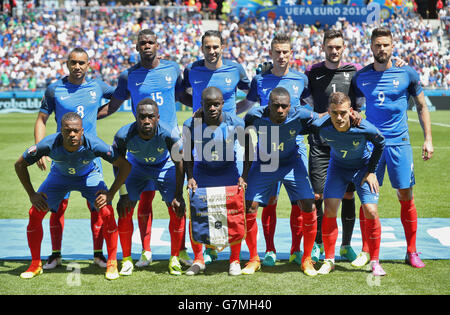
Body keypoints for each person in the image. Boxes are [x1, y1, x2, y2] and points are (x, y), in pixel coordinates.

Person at [97, 29, 192, 270]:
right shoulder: (128, 76)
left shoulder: (172, 69)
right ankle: (145, 251)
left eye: (150, 42)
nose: (147, 46)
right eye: (142, 43)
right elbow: (113, 106)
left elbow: (183, 96)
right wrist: (87, 118)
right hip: (139, 148)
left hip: (168, 149)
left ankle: (179, 251)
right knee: (142, 203)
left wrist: (211, 103)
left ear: (157, 45)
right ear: (137, 47)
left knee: (176, 205)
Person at [352, 27, 434, 268]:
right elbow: (354, 108)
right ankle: (366, 251)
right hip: (371, 146)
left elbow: (421, 107)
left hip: (400, 144)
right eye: (377, 45)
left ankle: (412, 251)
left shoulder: (406, 72)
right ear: (371, 47)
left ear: (392, 45)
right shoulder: (361, 77)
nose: (382, 49)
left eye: (386, 44)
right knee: (367, 199)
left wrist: (428, 138)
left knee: (405, 196)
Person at [15, 112, 131, 280]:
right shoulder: (48, 144)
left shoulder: (95, 144)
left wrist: (111, 193)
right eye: (67, 131)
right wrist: (32, 194)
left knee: (106, 211)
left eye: (76, 131)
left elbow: (125, 166)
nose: (72, 135)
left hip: (88, 176)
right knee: (34, 214)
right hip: (59, 177)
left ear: (82, 131)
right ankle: (35, 264)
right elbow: (20, 164)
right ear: (60, 130)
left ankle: (112, 262)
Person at [35, 47, 115, 269]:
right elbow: (41, 119)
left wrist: (100, 113)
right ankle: (55, 254)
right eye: (73, 62)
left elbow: (119, 96)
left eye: (82, 63)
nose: (77, 67)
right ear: (67, 64)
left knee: (97, 206)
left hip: (91, 158)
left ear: (88, 65)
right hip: (61, 157)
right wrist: (39, 149)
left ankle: (98, 254)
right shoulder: (54, 90)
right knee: (57, 207)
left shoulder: (97, 86)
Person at [236, 33, 310, 267]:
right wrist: (225, 114)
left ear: (291, 54)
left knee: (301, 202)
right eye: (277, 51)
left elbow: (311, 109)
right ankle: (269, 250)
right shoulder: (260, 81)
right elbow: (248, 106)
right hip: (266, 150)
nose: (281, 56)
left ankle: (296, 250)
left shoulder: (301, 80)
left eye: (285, 51)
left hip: (294, 146)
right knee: (269, 200)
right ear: (271, 53)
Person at [181, 30, 250, 264]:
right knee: (202, 201)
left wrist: (234, 113)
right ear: (202, 48)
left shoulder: (235, 69)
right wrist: (198, 112)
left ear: (223, 47)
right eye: (207, 47)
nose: (212, 51)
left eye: (216, 47)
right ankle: (206, 251)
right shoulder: (191, 70)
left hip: (229, 135)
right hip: (203, 136)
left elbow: (252, 93)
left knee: (231, 200)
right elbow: (182, 94)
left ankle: (233, 257)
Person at [242, 87, 320, 276]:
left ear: (290, 106)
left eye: (284, 107)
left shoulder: (300, 114)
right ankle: (253, 258)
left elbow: (322, 119)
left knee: (309, 205)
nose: (280, 110)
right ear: (267, 105)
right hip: (265, 163)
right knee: (249, 205)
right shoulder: (254, 115)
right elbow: (245, 136)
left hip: (291, 163)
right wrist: (244, 172)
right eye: (275, 106)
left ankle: (307, 259)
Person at [309, 92, 386, 276]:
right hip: (338, 169)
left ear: (351, 111)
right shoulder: (321, 126)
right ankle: (329, 260)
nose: (339, 117)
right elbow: (302, 126)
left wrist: (372, 171)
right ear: (329, 112)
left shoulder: (363, 127)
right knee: (329, 210)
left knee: (371, 211)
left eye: (343, 112)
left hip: (362, 168)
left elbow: (381, 142)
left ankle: (374, 261)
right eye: (334, 113)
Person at [303, 30, 363, 263]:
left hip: (345, 145)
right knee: (318, 196)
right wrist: (315, 115)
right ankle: (318, 244)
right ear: (324, 47)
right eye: (330, 47)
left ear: (344, 47)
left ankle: (346, 246)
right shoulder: (312, 72)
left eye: (338, 47)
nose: (334, 51)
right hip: (319, 143)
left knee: (348, 195)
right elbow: (303, 100)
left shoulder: (353, 72)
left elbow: (358, 104)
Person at [112, 98, 186, 276]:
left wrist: (178, 195)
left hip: (164, 166)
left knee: (176, 209)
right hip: (136, 167)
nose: (146, 121)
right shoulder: (123, 135)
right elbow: (117, 163)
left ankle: (175, 257)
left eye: (150, 117)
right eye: (142, 117)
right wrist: (123, 194)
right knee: (125, 209)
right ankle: (127, 259)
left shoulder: (169, 134)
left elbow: (180, 163)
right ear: (136, 117)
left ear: (157, 118)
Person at [183, 87, 246, 276]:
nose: (212, 108)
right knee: (197, 214)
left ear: (222, 104)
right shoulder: (191, 124)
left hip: (228, 171)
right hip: (202, 172)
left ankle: (234, 260)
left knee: (233, 215)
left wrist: (244, 176)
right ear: (201, 105)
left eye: (216, 104)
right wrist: (190, 177)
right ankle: (198, 259)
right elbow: (187, 153)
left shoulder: (236, 122)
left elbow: (249, 149)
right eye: (208, 104)